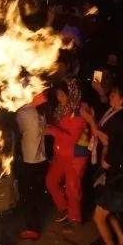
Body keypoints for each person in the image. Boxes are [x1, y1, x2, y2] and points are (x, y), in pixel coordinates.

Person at [92, 81, 123, 245]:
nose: (111, 97)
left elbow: (115, 145)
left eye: (114, 94)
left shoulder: (120, 121)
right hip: (121, 175)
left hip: (119, 176)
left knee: (98, 216)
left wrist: (106, 160)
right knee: (108, 212)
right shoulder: (121, 117)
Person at [44, 79, 97, 227]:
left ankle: (74, 217)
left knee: (72, 187)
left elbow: (71, 138)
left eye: (62, 95)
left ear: (71, 94)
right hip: (60, 155)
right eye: (58, 95)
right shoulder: (61, 110)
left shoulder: (79, 112)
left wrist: (52, 131)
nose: (59, 98)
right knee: (51, 181)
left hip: (75, 156)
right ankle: (64, 208)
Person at [13, 91, 48, 240]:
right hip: (40, 158)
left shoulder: (24, 113)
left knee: (27, 195)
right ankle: (35, 223)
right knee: (36, 193)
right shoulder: (41, 113)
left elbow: (18, 132)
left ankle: (32, 228)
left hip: (29, 160)